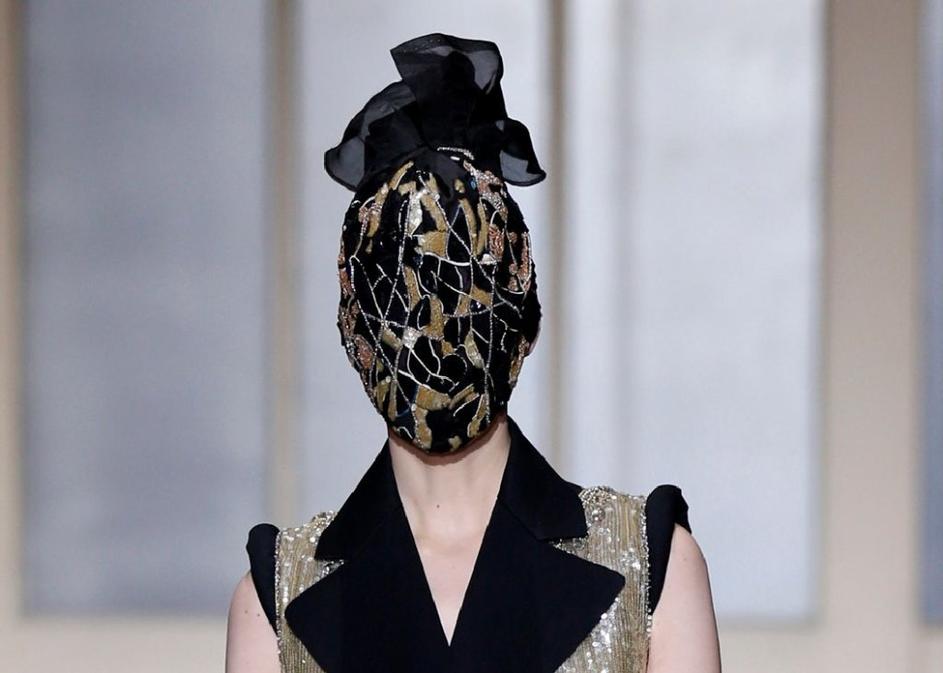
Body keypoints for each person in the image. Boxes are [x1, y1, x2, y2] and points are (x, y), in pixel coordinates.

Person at [225, 32, 720, 673]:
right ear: (356, 324)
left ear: (521, 307)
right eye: (404, 287)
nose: (434, 328)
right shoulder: (276, 596)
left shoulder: (651, 566)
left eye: (464, 281)